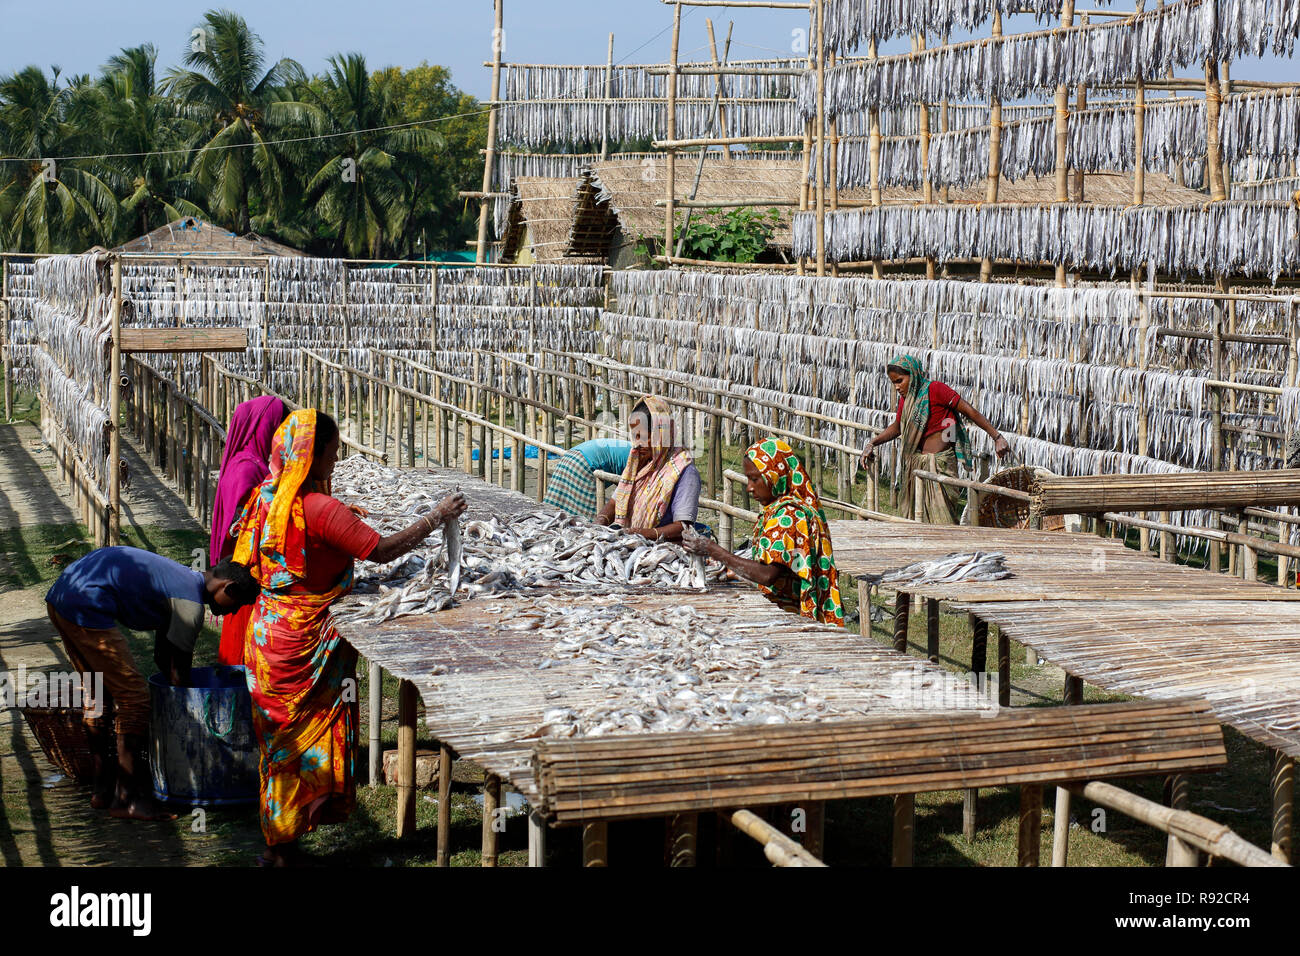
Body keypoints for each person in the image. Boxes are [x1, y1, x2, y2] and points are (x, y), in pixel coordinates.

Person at [232, 409, 467, 866]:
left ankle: (283, 839)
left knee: (280, 744)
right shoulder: (318, 509)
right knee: (293, 746)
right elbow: (380, 550)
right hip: (301, 645)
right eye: (333, 452)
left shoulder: (267, 497)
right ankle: (279, 851)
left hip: (267, 640)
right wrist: (437, 517)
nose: (337, 460)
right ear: (311, 455)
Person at [45, 547, 260, 820]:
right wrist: (197, 727)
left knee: (98, 696)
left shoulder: (180, 580)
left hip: (62, 595)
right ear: (228, 588)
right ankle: (127, 799)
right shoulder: (189, 603)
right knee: (134, 700)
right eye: (239, 604)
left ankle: (102, 790)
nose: (233, 613)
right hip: (86, 603)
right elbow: (179, 675)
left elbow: (163, 657)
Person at [683, 437, 844, 627]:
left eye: (754, 479)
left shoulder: (789, 516)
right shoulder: (784, 509)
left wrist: (713, 550)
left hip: (791, 617)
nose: (749, 488)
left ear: (775, 475)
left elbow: (768, 575)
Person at [859, 354, 1010, 524]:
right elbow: (898, 427)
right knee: (915, 519)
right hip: (916, 466)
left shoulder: (936, 390)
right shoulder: (906, 400)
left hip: (940, 465)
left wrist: (997, 437)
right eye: (894, 382)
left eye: (900, 380)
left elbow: (970, 412)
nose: (897, 387)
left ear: (914, 375)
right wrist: (872, 443)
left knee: (942, 522)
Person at [210, 396, 288, 666]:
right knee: (245, 660)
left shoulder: (245, 463)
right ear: (263, 426)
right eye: (278, 427)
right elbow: (241, 530)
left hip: (240, 577)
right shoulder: (247, 470)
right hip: (245, 577)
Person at [595, 396, 701, 542]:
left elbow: (683, 527)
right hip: (631, 542)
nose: (637, 443)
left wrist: (642, 533)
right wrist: (600, 521)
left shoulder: (685, 471)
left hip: (664, 550)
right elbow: (616, 501)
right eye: (634, 436)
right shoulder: (638, 462)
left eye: (643, 436)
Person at [542, 437, 633, 518]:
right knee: (584, 518)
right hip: (584, 463)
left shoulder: (631, 448)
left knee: (556, 506)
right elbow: (626, 491)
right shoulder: (640, 458)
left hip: (570, 456)